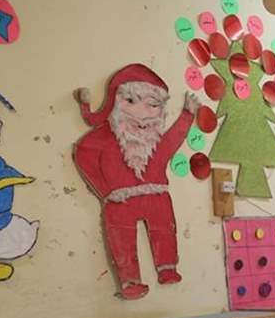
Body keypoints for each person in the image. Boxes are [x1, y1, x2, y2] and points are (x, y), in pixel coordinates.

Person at [73, 64, 199, 300]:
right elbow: (83, 154)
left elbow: (171, 142)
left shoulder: (154, 140)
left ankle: (167, 269)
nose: (142, 113)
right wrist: (106, 190)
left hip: (156, 195)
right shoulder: (104, 137)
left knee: (164, 230)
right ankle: (130, 282)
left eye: (152, 104)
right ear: (117, 102)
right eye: (131, 101)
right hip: (120, 199)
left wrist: (187, 115)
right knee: (122, 239)